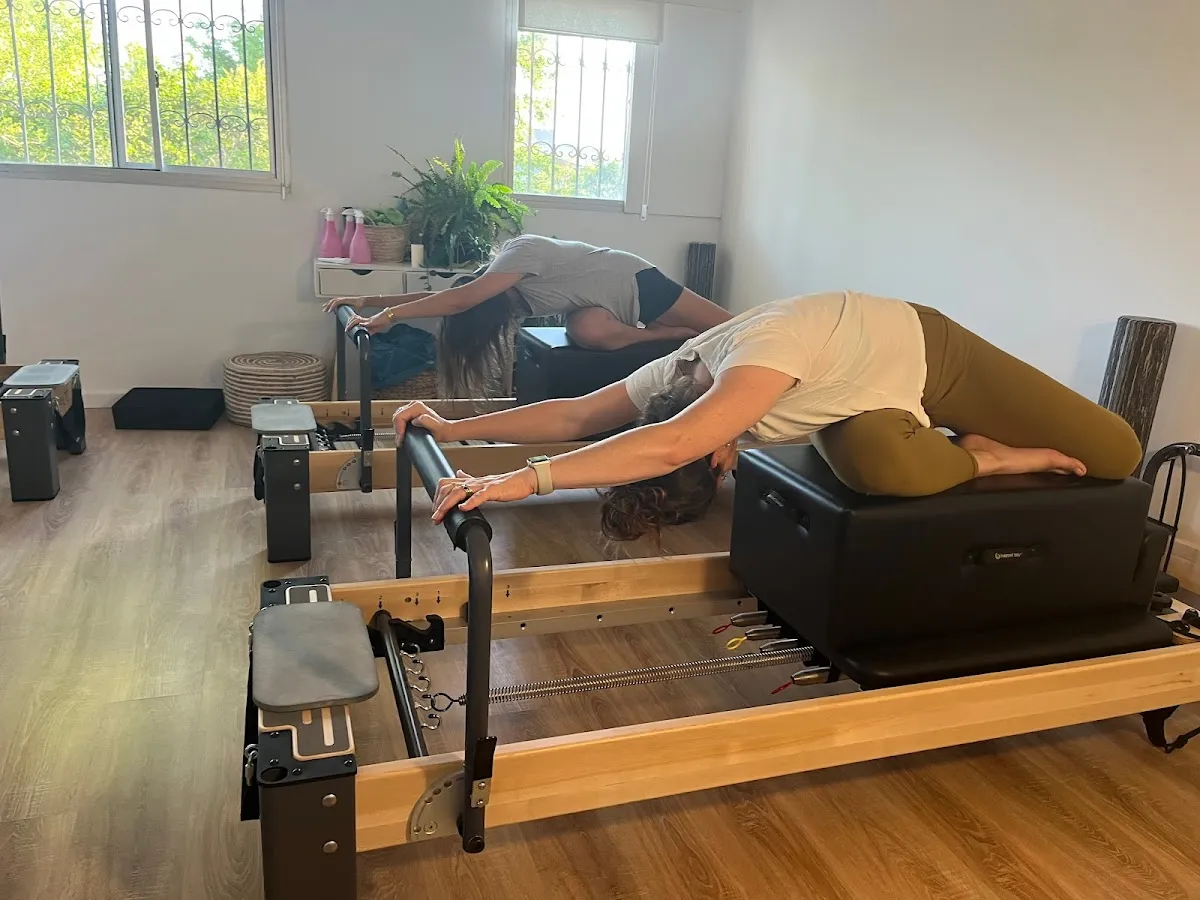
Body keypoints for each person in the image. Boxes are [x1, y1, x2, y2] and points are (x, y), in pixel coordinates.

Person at [391, 291, 1143, 541]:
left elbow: (671, 445)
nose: (728, 461)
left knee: (1116, 454)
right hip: (859, 403)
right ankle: (983, 455)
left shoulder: (753, 362)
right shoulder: (674, 377)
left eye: (719, 460)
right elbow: (578, 417)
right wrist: (453, 430)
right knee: (883, 464)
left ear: (718, 451)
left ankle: (971, 442)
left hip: (930, 354)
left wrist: (518, 482)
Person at [322, 234, 733, 395]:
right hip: (608, 310)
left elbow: (460, 299)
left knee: (729, 328)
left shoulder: (518, 253)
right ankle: (671, 335)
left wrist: (389, 314)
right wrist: (367, 300)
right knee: (585, 329)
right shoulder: (502, 289)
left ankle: (685, 334)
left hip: (636, 283)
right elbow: (449, 297)